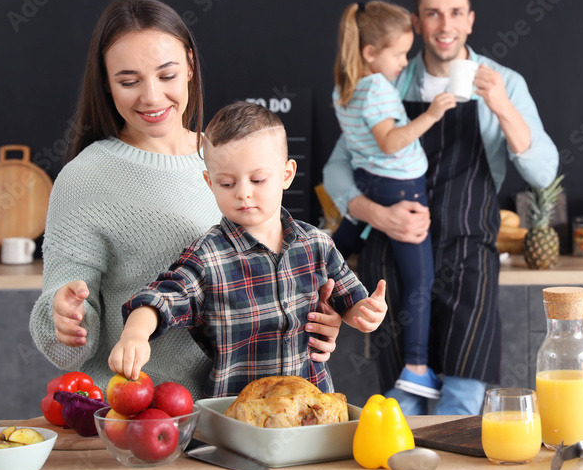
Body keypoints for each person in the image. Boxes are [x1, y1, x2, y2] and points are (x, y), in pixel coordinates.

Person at [29, 0, 342, 399]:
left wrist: (313, 324)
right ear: (106, 83)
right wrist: (65, 322)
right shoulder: (85, 179)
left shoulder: (234, 160)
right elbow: (66, 347)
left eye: (166, 75)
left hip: (250, 412)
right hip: (147, 416)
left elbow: (275, 277)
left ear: (190, 66)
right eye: (128, 81)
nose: (152, 97)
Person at [323, 0, 559, 415]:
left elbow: (544, 173)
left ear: (470, 19)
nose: (445, 25)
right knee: (401, 410)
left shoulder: (505, 83)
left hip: (468, 261)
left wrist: (502, 107)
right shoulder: (389, 81)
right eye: (432, 13)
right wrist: (373, 213)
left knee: (460, 407)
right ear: (416, 21)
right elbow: (337, 167)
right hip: (397, 261)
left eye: (455, 12)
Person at [109, 102, 386, 397]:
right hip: (238, 417)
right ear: (210, 182)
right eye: (227, 183)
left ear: (286, 174)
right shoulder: (207, 257)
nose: (243, 192)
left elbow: (350, 301)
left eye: (257, 180)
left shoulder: (317, 244)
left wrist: (366, 313)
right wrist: (135, 334)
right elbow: (161, 297)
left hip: (310, 406)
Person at [330, 1, 456, 400]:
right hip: (399, 186)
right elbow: (390, 141)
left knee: (348, 236)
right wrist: (433, 114)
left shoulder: (345, 86)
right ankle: (417, 367)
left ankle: (315, 260)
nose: (404, 61)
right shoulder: (377, 88)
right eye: (399, 53)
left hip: (373, 184)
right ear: (370, 53)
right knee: (420, 278)